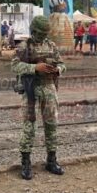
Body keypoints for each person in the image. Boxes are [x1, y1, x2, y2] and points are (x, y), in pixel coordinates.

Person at [12, 16, 66, 180]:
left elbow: (62, 64)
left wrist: (57, 70)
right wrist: (35, 67)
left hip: (49, 88)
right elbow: (15, 66)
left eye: (44, 33)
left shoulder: (51, 45)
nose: (42, 36)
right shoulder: (23, 46)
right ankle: (26, 163)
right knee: (29, 126)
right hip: (31, 89)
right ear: (33, 31)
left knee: (51, 124)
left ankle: (51, 160)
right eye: (40, 33)